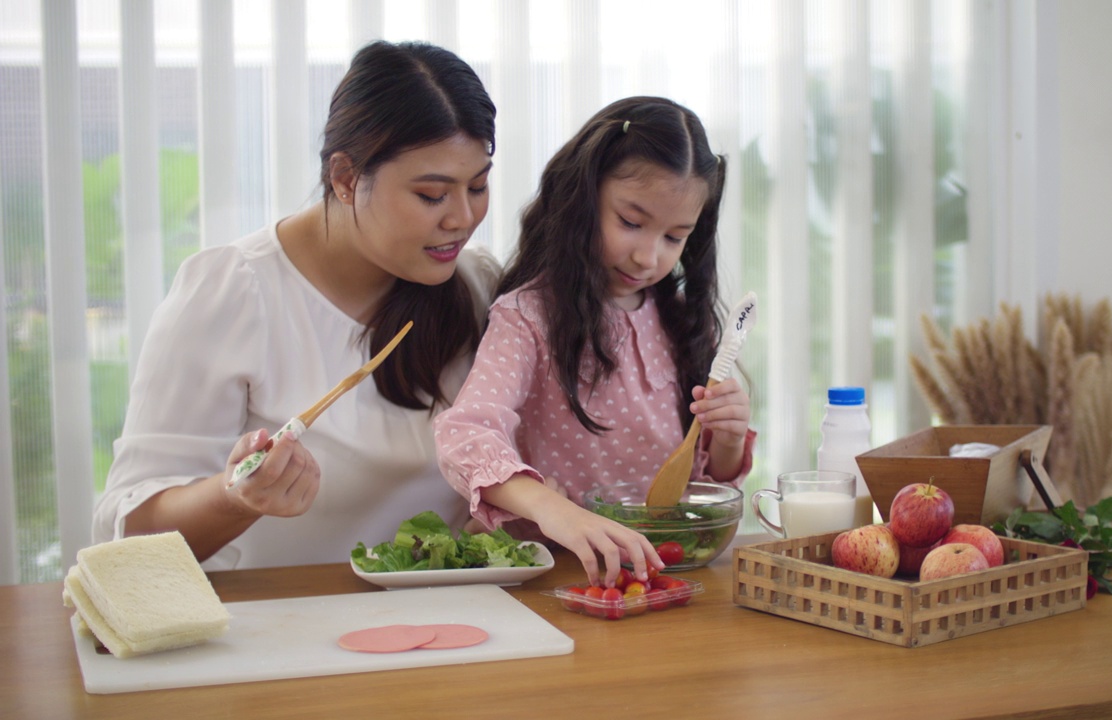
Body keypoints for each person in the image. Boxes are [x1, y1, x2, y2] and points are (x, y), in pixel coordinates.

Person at [92, 41, 500, 570]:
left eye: (479, 185)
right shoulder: (233, 292)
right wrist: (234, 497)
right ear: (346, 178)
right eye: (431, 195)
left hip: (452, 625)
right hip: (277, 632)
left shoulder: (478, 285)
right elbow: (126, 536)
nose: (463, 218)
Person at [435, 96, 756, 587]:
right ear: (581, 198)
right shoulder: (529, 316)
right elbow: (465, 436)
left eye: (675, 237)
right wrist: (552, 510)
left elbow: (701, 484)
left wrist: (730, 439)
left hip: (655, 576)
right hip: (548, 578)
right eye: (630, 222)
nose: (649, 256)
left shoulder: (681, 324)